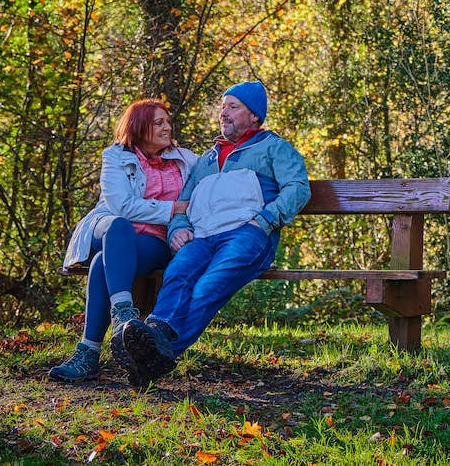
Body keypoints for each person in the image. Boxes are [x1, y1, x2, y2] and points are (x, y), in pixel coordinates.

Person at [115, 81, 309, 387]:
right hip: (203, 238)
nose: (223, 113)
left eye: (233, 107)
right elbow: (184, 204)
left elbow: (298, 188)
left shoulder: (273, 147)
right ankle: (156, 337)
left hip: (247, 235)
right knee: (178, 271)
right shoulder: (206, 160)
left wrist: (264, 221)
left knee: (208, 286)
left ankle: (156, 354)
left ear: (254, 115)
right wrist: (179, 229)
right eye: (222, 107)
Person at [50, 99, 197, 384]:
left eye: (168, 122)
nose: (167, 127)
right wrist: (172, 209)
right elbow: (121, 206)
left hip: (153, 240)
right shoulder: (115, 156)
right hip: (108, 228)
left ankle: (87, 354)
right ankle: (123, 315)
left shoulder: (185, 159)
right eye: (159, 123)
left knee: (101, 263)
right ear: (139, 127)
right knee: (119, 227)